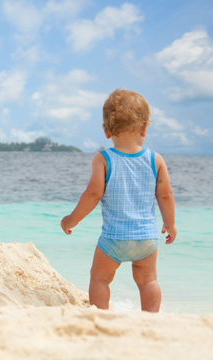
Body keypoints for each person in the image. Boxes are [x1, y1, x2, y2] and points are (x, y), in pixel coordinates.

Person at [60, 88, 176, 312]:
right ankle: (151, 320)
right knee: (148, 281)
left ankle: (100, 316)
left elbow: (92, 194)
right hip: (146, 239)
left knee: (100, 278)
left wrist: (71, 220)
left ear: (106, 131)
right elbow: (165, 195)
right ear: (144, 128)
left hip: (113, 240)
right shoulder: (155, 159)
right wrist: (169, 224)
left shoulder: (103, 159)